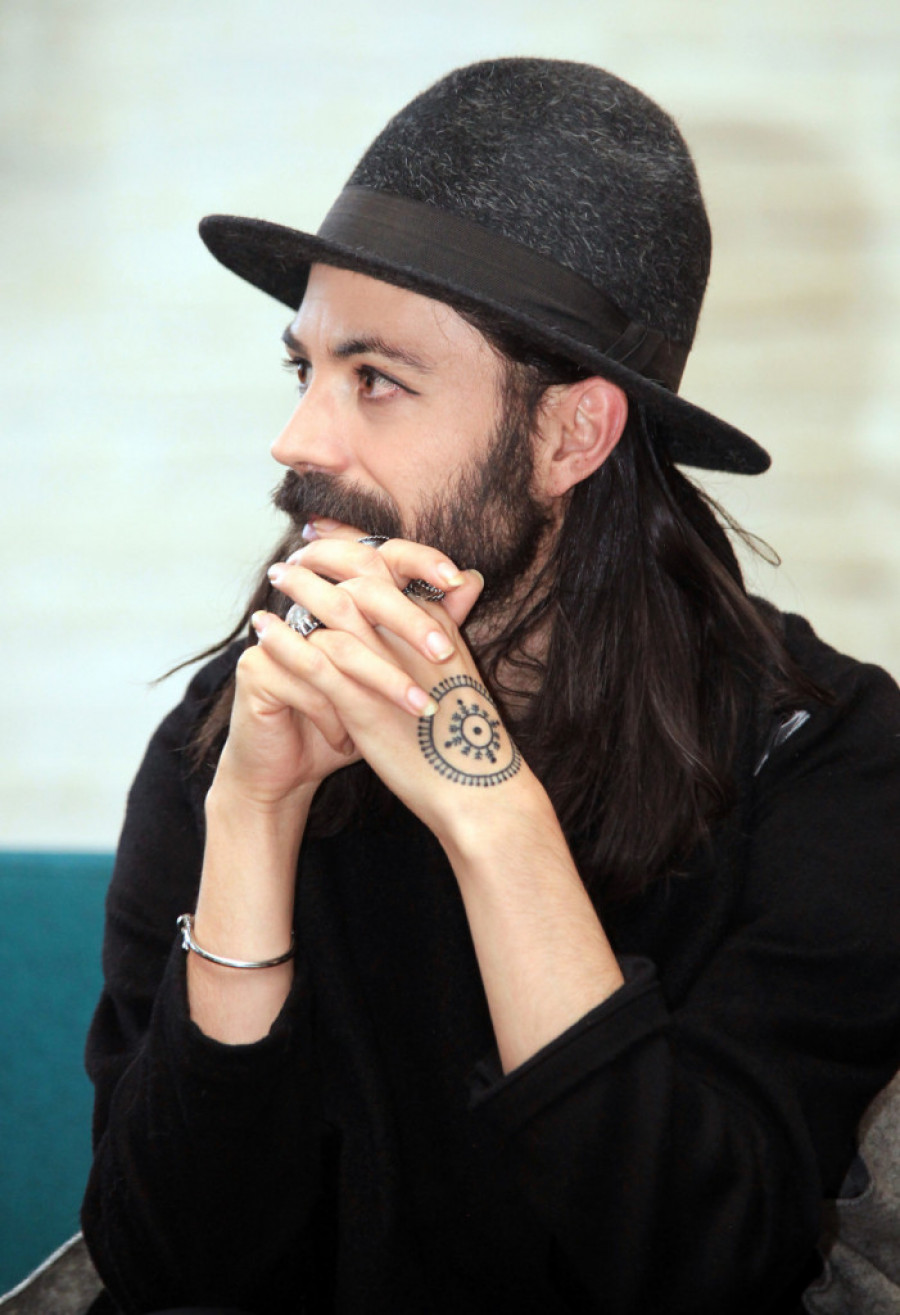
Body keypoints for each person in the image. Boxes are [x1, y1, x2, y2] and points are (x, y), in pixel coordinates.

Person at [80, 58, 900, 1315]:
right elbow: (170, 1269)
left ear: (573, 435)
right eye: (303, 370)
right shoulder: (230, 732)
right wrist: (253, 817)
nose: (297, 440)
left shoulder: (825, 757)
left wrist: (493, 818)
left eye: (376, 379)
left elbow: (700, 1268)